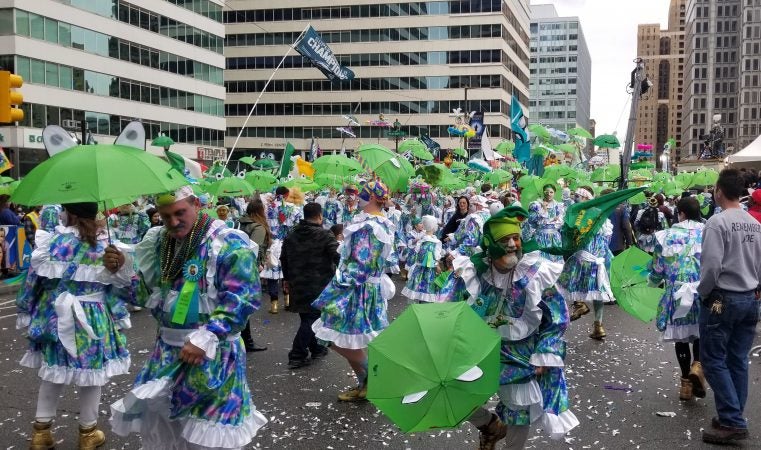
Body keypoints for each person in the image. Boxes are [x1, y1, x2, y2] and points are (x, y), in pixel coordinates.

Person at [110, 185, 267, 449]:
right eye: (165, 216)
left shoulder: (227, 242)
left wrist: (209, 334)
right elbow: (143, 297)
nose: (173, 221)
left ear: (196, 203)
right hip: (167, 354)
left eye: (180, 212)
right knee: (171, 430)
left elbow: (244, 298)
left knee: (208, 436)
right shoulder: (159, 241)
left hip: (212, 354)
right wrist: (121, 270)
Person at [454, 206, 578, 450]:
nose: (512, 244)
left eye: (516, 238)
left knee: (519, 409)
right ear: (490, 245)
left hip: (520, 354)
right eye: (504, 239)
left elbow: (557, 318)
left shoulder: (535, 273)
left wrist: (544, 354)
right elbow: (454, 310)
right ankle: (489, 424)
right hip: (480, 349)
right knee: (452, 391)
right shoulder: (474, 273)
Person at [17, 202, 134, 449]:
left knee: (53, 374)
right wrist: (120, 314)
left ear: (68, 214)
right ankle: (88, 433)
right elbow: (118, 288)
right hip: (94, 318)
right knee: (92, 378)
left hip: (56, 316)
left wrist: (26, 308)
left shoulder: (52, 243)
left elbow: (33, 281)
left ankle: (41, 433)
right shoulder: (107, 246)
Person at [311, 180, 397, 402]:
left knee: (335, 338)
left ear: (369, 197)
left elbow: (360, 265)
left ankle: (371, 378)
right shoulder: (382, 223)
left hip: (357, 290)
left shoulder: (368, 226)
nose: (356, 198)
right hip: (368, 289)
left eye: (361, 194)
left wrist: (337, 284)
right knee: (347, 340)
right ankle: (365, 384)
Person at [697, 169, 761, 445]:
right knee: (737, 359)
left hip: (723, 298)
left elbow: (711, 267)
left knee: (712, 360)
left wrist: (702, 293)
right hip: (750, 297)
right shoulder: (755, 223)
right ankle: (731, 414)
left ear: (719, 191)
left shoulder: (717, 223)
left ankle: (733, 421)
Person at [648, 197, 706, 401]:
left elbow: (657, 269)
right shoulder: (707, 231)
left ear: (679, 213)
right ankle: (698, 365)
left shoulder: (666, 235)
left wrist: (652, 281)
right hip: (702, 290)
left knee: (681, 339)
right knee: (700, 333)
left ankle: (685, 385)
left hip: (676, 292)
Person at [281, 202, 340, 369]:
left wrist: (286, 279)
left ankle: (316, 347)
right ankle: (297, 354)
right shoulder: (325, 235)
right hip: (318, 283)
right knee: (312, 318)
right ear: (320, 216)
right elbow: (337, 256)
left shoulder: (292, 234)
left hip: (297, 283)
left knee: (307, 317)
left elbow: (283, 258)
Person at [557, 186, 615, 340]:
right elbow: (606, 242)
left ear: (585, 199)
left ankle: (579, 305)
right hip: (599, 260)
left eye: (578, 196)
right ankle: (598, 325)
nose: (575, 198)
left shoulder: (582, 218)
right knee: (597, 293)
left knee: (565, 281)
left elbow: (572, 239)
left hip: (584, 257)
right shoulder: (603, 218)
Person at [237, 197, 271, 352]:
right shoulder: (258, 227)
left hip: (236, 267)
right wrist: (258, 264)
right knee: (246, 303)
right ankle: (247, 340)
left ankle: (243, 338)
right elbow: (252, 249)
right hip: (247, 268)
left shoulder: (240, 223)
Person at [262, 186, 303, 314]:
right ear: (287, 195)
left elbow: (264, 225)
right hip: (288, 244)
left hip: (272, 244)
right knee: (287, 272)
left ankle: (274, 304)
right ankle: (288, 300)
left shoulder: (268, 208)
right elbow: (299, 227)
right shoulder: (295, 209)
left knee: (272, 274)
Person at [401, 215, 444, 303]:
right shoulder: (434, 242)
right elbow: (433, 259)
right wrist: (438, 267)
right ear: (433, 226)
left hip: (418, 272)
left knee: (420, 295)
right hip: (428, 273)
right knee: (426, 296)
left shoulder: (422, 240)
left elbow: (415, 256)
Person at [523, 183, 565, 263]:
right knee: (541, 261)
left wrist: (550, 220)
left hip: (554, 237)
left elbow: (560, 221)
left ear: (554, 193)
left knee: (555, 260)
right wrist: (544, 210)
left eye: (551, 192)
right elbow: (532, 220)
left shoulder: (558, 205)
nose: (549, 194)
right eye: (546, 192)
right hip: (541, 236)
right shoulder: (536, 205)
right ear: (543, 192)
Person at [605, 188, 634, 256]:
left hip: (600, 246)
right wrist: (629, 243)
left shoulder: (598, 209)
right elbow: (627, 227)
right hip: (617, 245)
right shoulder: (621, 208)